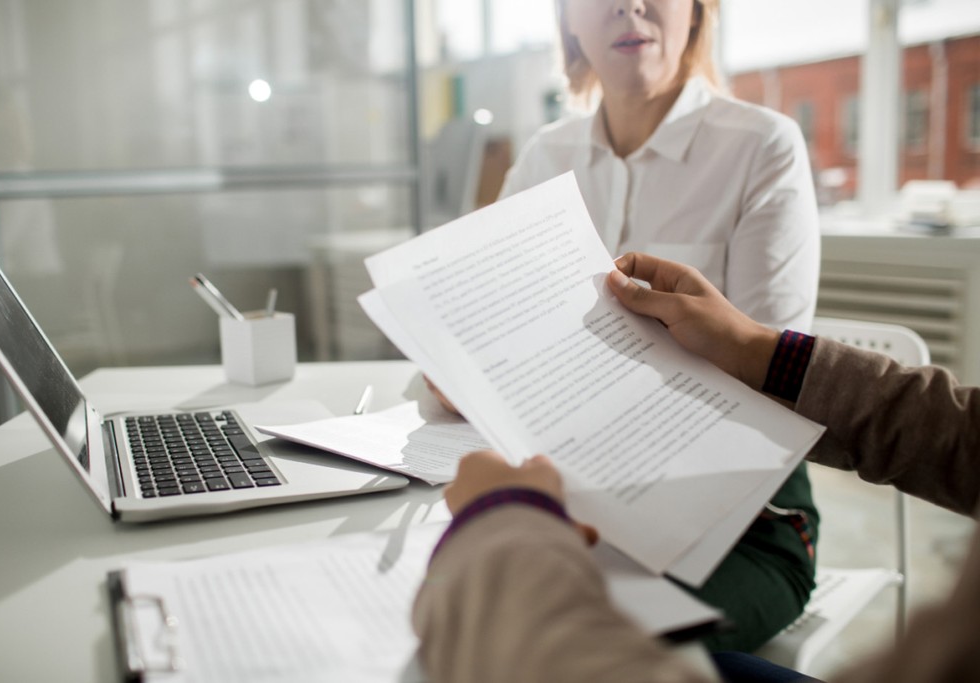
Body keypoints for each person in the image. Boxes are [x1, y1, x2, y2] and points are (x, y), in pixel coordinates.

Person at [412, 251, 980, 683]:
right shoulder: (547, 151)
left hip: (739, 493)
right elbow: (957, 432)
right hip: (609, 475)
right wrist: (752, 347)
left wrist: (504, 524)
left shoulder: (759, 142)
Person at [478, 0, 822, 652]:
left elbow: (766, 371)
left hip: (740, 515)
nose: (628, 5)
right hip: (568, 493)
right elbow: (499, 327)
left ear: (695, 12)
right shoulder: (544, 156)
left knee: (563, 644)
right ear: (568, 21)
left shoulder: (761, 144)